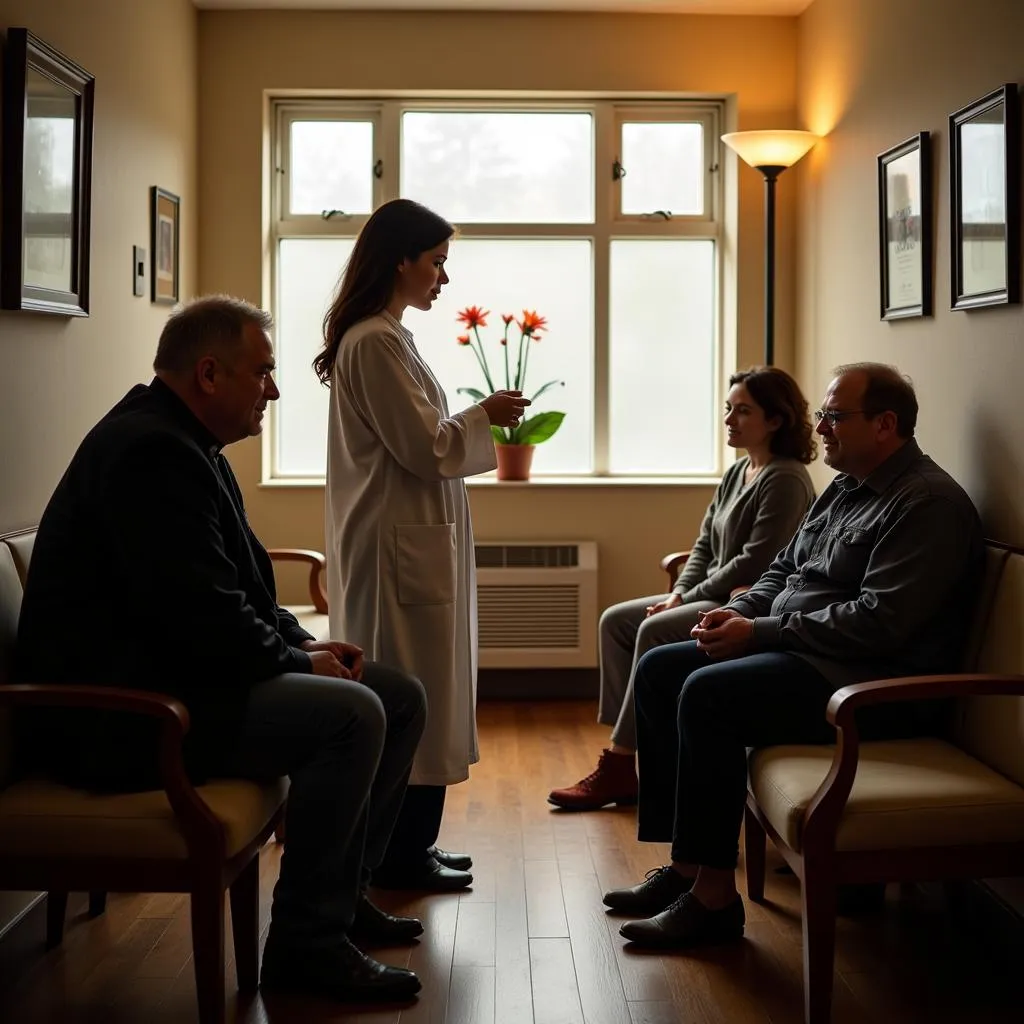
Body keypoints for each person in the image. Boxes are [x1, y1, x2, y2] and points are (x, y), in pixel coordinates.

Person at [15, 296, 428, 1004]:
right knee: (353, 716)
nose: (273, 388)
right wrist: (299, 663)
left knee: (398, 695)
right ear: (210, 373)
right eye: (262, 371)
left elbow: (233, 585)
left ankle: (340, 897)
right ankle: (307, 946)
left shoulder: (183, 441)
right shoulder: (150, 453)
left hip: (174, 678)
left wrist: (302, 639)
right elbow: (199, 618)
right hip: (129, 715)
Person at [604, 363, 983, 948]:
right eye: (824, 415)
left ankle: (713, 902)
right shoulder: (845, 486)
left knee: (708, 694)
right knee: (660, 668)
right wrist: (743, 611)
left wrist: (761, 633)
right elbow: (784, 566)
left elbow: (878, 624)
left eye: (835, 416)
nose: (822, 427)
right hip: (812, 657)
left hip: (867, 686)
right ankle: (684, 869)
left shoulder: (926, 503)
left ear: (886, 424)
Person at [313, 199, 528, 891]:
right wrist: (484, 415)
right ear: (399, 259)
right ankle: (397, 854)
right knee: (416, 692)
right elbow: (424, 444)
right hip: (394, 547)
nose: (443, 277)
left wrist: (472, 421)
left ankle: (414, 845)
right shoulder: (373, 341)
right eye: (435, 262)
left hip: (413, 538)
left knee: (432, 690)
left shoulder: (388, 336)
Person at [548, 367, 816, 811]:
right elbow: (705, 542)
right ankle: (630, 750)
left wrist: (686, 599)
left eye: (743, 410)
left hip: (742, 598)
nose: (729, 419)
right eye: (729, 409)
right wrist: (678, 594)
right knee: (616, 621)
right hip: (707, 590)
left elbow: (754, 560)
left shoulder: (784, 478)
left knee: (653, 631)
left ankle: (621, 762)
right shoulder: (738, 471)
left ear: (776, 419)